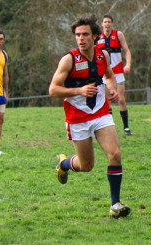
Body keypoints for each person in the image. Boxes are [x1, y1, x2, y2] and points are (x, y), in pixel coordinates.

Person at [49, 15, 130, 219]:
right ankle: (64, 164)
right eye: (77, 35)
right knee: (86, 166)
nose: (81, 38)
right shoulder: (69, 59)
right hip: (77, 118)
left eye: (85, 34)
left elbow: (109, 76)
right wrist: (79, 91)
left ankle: (115, 204)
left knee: (115, 154)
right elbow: (53, 90)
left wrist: (111, 90)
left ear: (95, 36)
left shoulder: (103, 56)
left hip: (101, 113)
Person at [98, 14, 133, 136]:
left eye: (109, 22)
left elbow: (127, 50)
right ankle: (110, 128)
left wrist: (128, 64)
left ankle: (126, 127)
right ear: (102, 24)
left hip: (118, 72)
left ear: (112, 24)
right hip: (104, 74)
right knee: (107, 101)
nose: (107, 24)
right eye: (105, 22)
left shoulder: (118, 34)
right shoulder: (98, 36)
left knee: (121, 99)